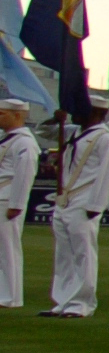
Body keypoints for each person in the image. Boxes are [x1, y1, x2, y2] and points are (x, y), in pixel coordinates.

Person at [41, 103, 109, 318]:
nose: (75, 113)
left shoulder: (107, 139)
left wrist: (96, 205)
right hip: (65, 196)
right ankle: (63, 300)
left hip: (85, 197)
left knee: (83, 252)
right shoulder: (73, 132)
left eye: (81, 108)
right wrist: (55, 119)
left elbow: (107, 175)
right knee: (64, 253)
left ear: (98, 113)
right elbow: (44, 131)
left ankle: (82, 303)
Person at [0, 95, 35, 308]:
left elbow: (25, 173)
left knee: (8, 249)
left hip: (6, 198)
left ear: (17, 115)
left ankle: (11, 296)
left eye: (2, 114)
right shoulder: (7, 139)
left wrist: (17, 204)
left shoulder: (24, 142)